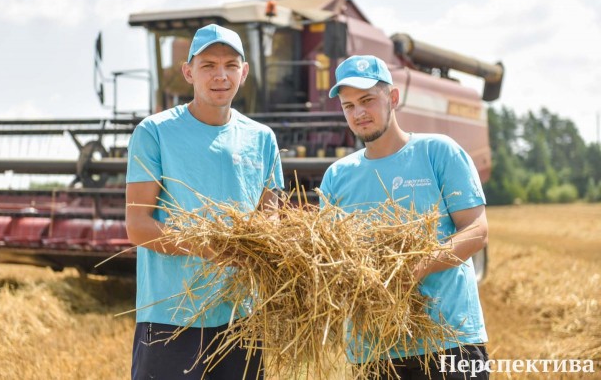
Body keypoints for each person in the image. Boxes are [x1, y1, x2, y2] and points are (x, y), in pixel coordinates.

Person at [125, 23, 284, 380]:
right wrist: (209, 248)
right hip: (171, 317)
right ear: (188, 72)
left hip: (241, 319)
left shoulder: (262, 139)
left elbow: (269, 223)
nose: (220, 75)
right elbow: (137, 228)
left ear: (243, 73)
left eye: (230, 65)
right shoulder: (155, 132)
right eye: (208, 65)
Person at [319, 55, 489, 379]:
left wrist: (415, 267)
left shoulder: (438, 152)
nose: (359, 113)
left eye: (367, 100)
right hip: (374, 349)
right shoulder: (337, 176)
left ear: (393, 98)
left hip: (449, 340)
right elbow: (332, 258)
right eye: (348, 105)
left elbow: (477, 230)